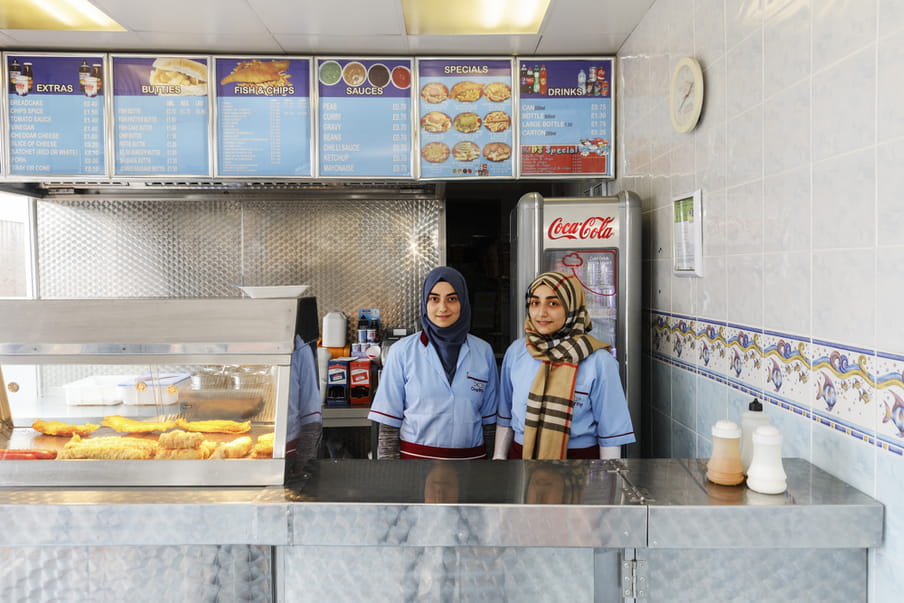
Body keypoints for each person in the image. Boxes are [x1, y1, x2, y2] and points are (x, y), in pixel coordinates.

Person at [494, 271, 634, 460]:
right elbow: (505, 419)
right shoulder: (517, 352)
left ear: (572, 307)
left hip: (579, 468)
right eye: (535, 303)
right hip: (521, 460)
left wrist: (605, 484)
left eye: (553, 303)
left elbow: (610, 437)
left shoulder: (599, 361)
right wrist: (499, 458)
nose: (541, 312)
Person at [368, 266, 498, 460]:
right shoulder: (402, 352)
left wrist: (493, 471)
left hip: (472, 465)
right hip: (415, 466)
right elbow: (388, 427)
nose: (443, 307)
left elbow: (489, 425)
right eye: (434, 299)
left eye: (452, 299)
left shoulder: (483, 351)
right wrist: (391, 478)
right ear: (424, 303)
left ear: (463, 302)